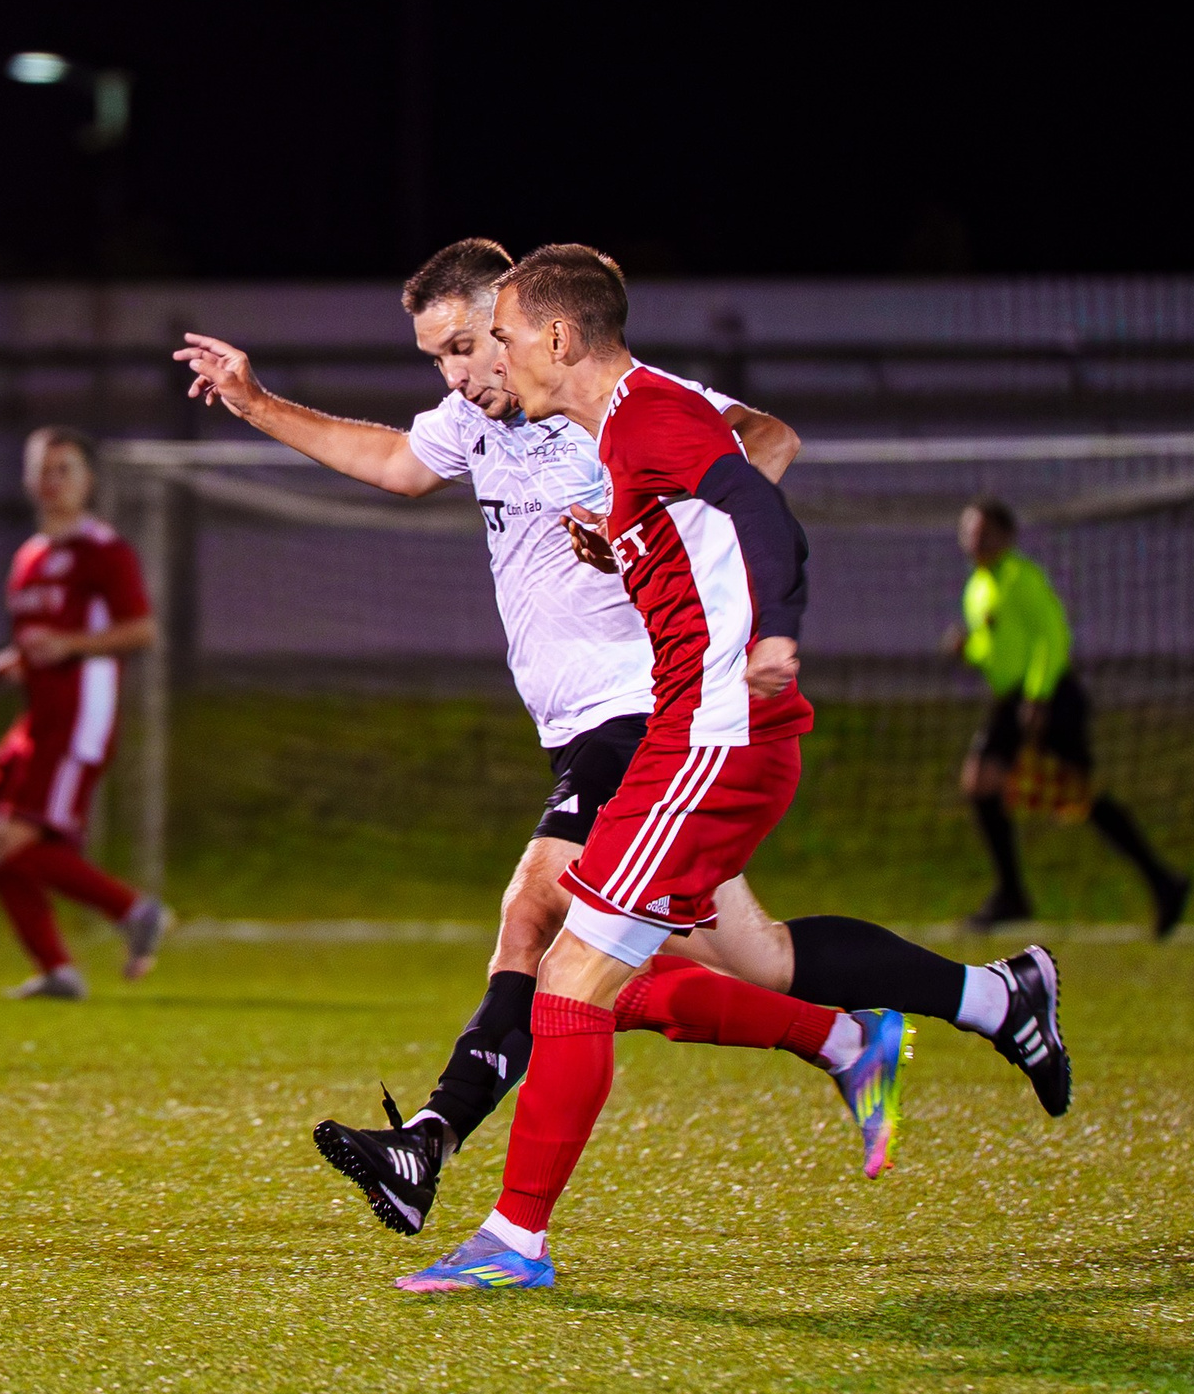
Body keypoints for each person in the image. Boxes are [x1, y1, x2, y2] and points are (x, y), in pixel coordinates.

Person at [175, 240, 1068, 1244]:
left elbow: (763, 444)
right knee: (751, 960)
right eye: (438, 359)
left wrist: (658, 522)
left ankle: (436, 1146)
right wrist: (253, 401)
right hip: (589, 731)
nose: (459, 376)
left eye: (471, 346)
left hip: (647, 714)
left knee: (538, 914)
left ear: (522, 326)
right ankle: (965, 1004)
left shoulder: (608, 403)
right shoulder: (479, 417)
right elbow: (391, 463)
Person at [0, 426, 173, 999]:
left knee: (13, 842)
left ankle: (133, 910)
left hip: (82, 714)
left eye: (65, 470)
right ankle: (59, 970)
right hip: (39, 715)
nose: (52, 482)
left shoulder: (103, 550)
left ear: (87, 482)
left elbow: (141, 630)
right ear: (28, 480)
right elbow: (36, 645)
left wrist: (72, 646)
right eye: (43, 470)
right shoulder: (28, 558)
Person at [953, 496, 1192, 936]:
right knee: (980, 783)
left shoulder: (1022, 578)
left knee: (1081, 797)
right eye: (968, 532)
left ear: (1005, 536)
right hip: (1012, 701)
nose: (974, 540)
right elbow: (997, 648)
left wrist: (1039, 697)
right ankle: (1012, 892)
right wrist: (968, 649)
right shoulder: (978, 587)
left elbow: (1052, 636)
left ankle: (1164, 882)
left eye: (983, 532)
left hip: (1048, 696)